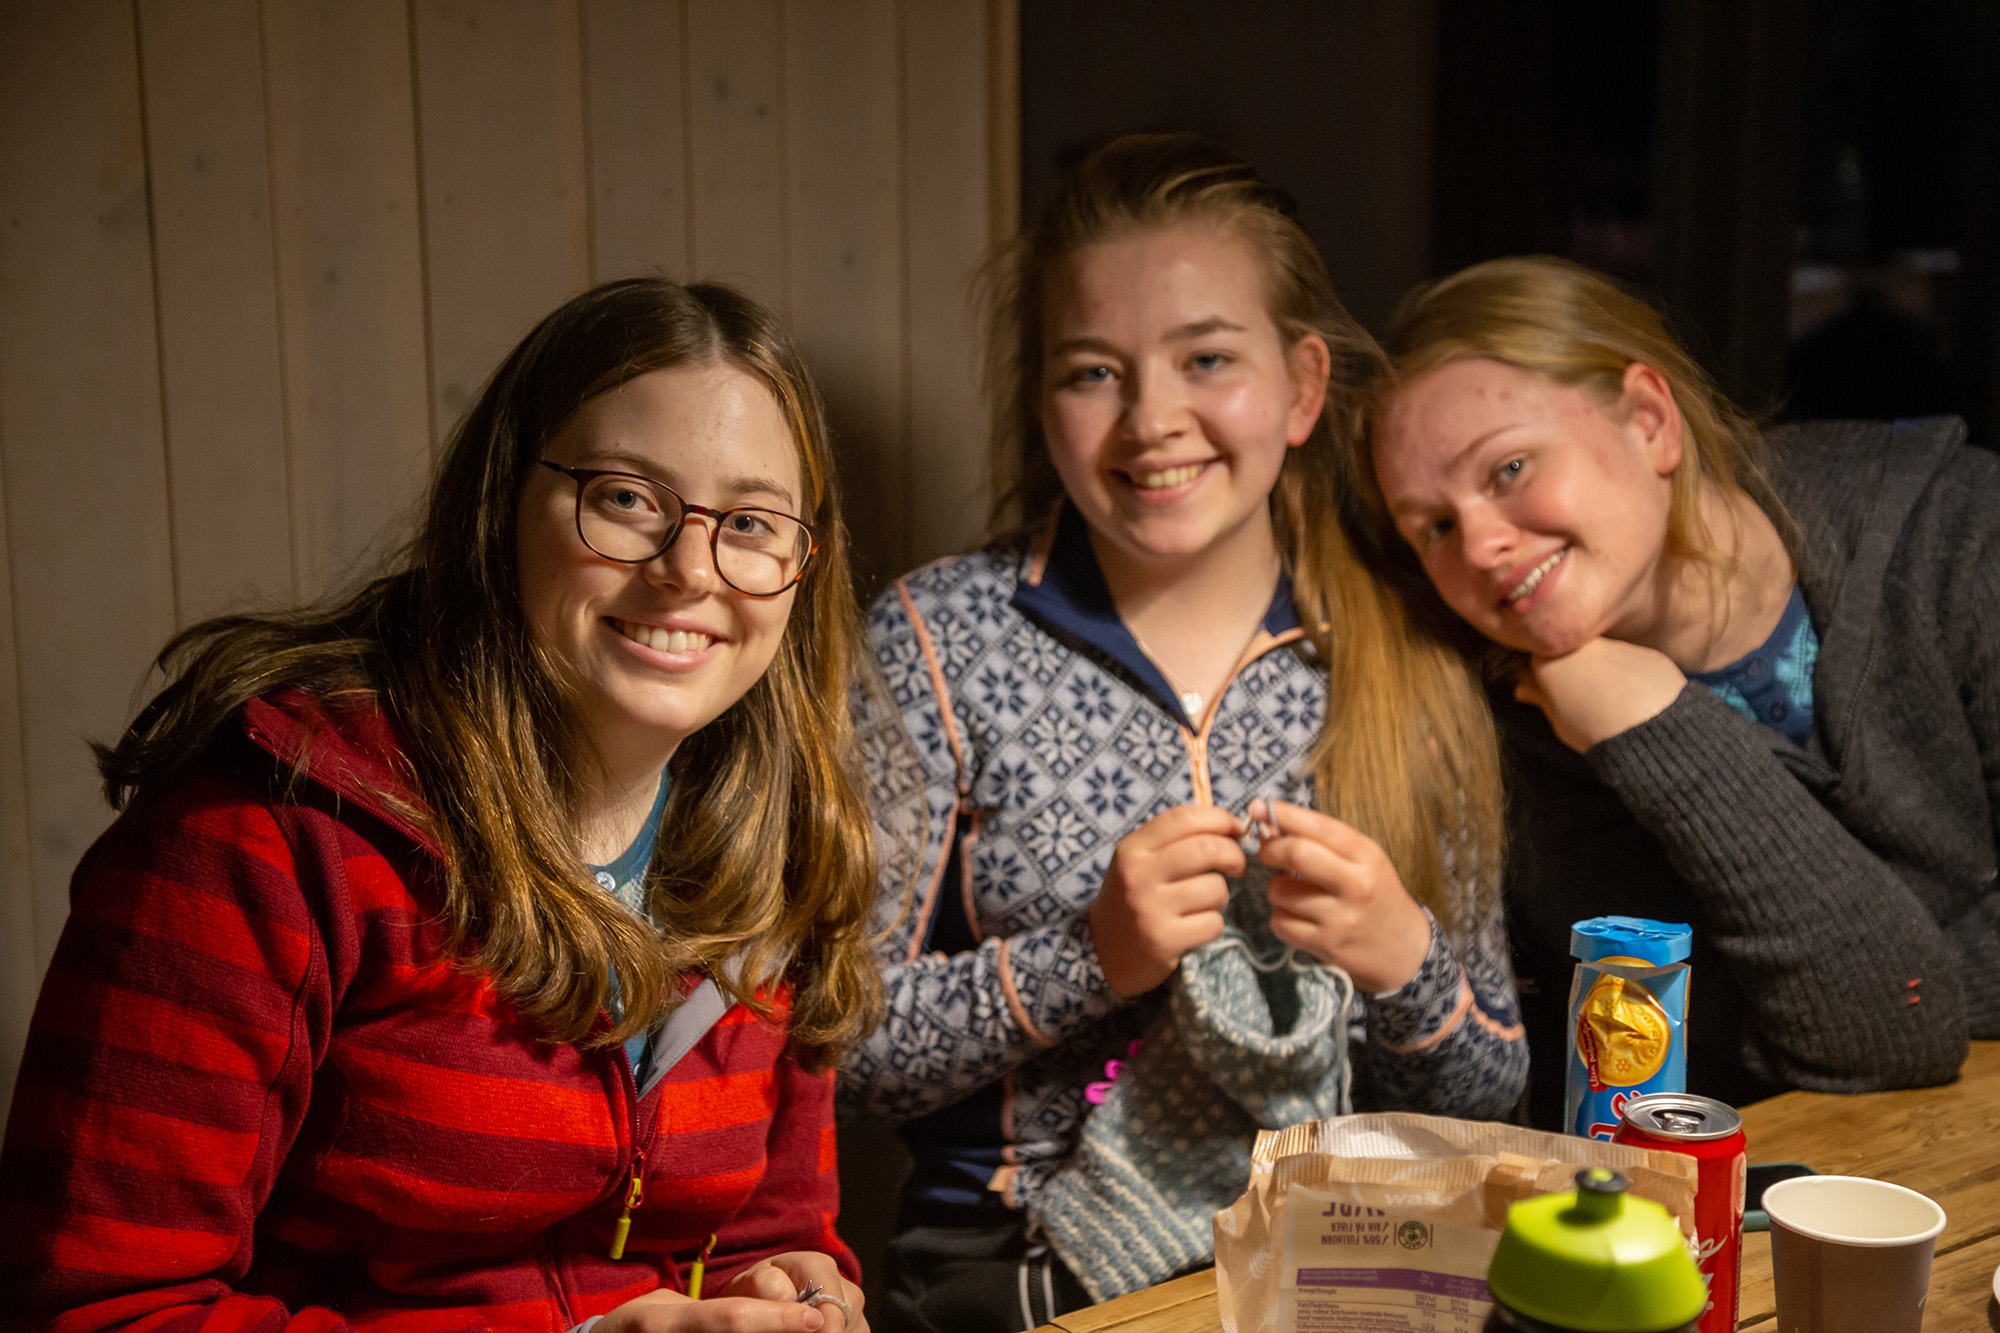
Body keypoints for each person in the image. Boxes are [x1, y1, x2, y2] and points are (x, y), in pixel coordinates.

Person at [0, 279, 878, 1333]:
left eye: (748, 522)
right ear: (499, 503)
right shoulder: (264, 838)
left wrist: (797, 1294)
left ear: (799, 566)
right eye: (626, 498)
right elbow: (98, 1311)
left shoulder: (770, 837)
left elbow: (764, 1232)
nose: (689, 568)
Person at [843, 135, 1527, 1332]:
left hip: (1344, 1261)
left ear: (1303, 388)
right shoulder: (934, 637)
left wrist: (1402, 957)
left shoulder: (1409, 648)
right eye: (1092, 372)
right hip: (1014, 1269)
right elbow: (828, 1045)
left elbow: (1493, 1085)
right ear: (1043, 398)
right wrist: (1087, 956)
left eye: (1205, 357)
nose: (1151, 419)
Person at [1359, 255, 2000, 1127]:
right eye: (1433, 525)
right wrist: (1658, 731)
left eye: (1508, 470)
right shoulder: (1530, 746)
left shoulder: (1958, 537)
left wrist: (1917, 980)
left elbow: (1903, 1001)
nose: (1477, 548)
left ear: (1652, 422)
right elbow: (1872, 1034)